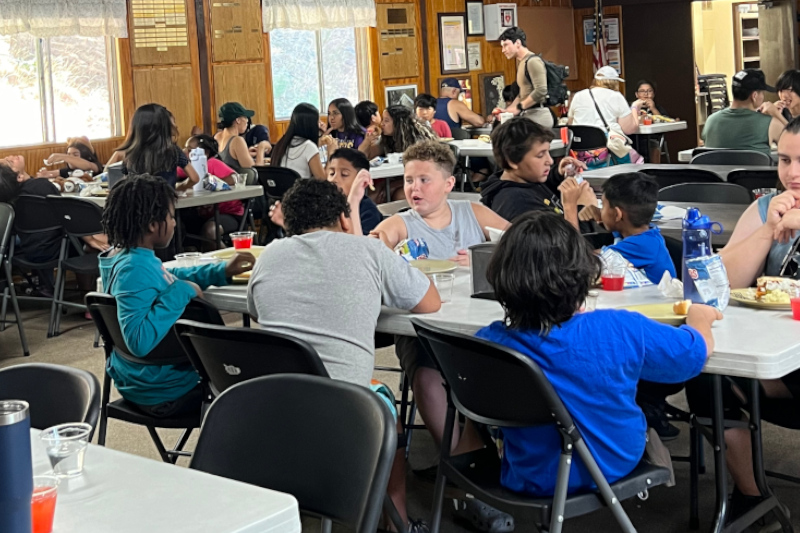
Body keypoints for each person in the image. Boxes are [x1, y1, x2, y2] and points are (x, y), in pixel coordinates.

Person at [476, 210, 720, 497]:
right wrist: (700, 319)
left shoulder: (488, 341)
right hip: (609, 465)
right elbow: (689, 359)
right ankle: (650, 439)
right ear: (582, 275)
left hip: (528, 471)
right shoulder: (617, 327)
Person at [247, 178, 440, 533]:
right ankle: (396, 521)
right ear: (343, 218)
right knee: (387, 410)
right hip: (346, 413)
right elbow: (430, 303)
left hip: (272, 407)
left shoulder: (269, 256)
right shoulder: (367, 252)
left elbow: (258, 312)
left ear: (288, 223)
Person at [370, 142, 509, 492]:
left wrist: (486, 257)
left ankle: (488, 449)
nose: (414, 188)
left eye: (424, 180)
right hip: (424, 330)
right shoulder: (403, 222)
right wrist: (381, 242)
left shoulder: (472, 212)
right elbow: (379, 241)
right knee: (428, 377)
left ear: (448, 184)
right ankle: (463, 467)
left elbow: (522, 240)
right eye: (408, 179)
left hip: (478, 324)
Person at [691, 118, 800, 524]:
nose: (792, 173)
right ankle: (752, 497)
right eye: (785, 160)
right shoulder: (765, 206)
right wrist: (768, 230)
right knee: (704, 374)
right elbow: (716, 285)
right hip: (771, 359)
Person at [98, 174, 253, 417]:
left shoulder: (124, 257)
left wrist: (220, 271)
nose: (173, 223)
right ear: (151, 224)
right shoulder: (134, 269)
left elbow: (167, 275)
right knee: (253, 380)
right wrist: (182, 291)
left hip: (143, 382)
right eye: (170, 217)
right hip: (165, 391)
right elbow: (138, 340)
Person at [480, 118, 596, 230]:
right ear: (513, 161)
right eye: (540, 155)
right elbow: (565, 247)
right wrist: (579, 207)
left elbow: (540, 189)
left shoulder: (524, 180)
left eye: (548, 152)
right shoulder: (519, 205)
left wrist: (558, 174)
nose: (550, 161)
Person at [268, 148, 383, 236]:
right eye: (331, 173)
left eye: (344, 175)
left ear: (361, 181)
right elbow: (311, 242)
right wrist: (289, 223)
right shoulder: (321, 205)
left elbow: (357, 251)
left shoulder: (368, 211)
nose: (334, 180)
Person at [600, 172, 676, 284]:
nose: (600, 211)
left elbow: (581, 261)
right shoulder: (647, 236)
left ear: (617, 215)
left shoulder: (640, 246)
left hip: (656, 301)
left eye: (602, 206)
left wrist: (570, 207)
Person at [177, 134, 244, 250]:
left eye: (189, 150)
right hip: (206, 215)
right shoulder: (190, 168)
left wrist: (212, 183)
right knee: (180, 227)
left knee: (210, 231)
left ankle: (228, 262)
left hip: (229, 214)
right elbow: (174, 174)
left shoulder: (212, 163)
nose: (184, 152)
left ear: (205, 153)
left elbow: (235, 177)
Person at [701, 69, 787, 156]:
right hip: (755, 169)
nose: (763, 96)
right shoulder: (770, 124)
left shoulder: (710, 121)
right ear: (754, 96)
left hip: (715, 170)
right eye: (762, 93)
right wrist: (777, 114)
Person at [568, 67, 641, 168]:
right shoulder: (616, 96)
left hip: (578, 153)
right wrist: (634, 107)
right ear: (614, 82)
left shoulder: (579, 95)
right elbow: (629, 129)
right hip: (604, 150)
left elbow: (570, 123)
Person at [116, 104, 200, 190]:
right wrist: (179, 187)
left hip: (137, 202)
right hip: (165, 201)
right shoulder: (173, 150)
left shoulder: (130, 152)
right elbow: (194, 178)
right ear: (165, 126)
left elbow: (123, 180)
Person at [363, 105, 438, 202]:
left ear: (398, 123)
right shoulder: (387, 140)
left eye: (386, 120)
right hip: (399, 179)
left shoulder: (418, 139)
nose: (382, 124)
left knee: (390, 194)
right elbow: (364, 156)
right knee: (371, 194)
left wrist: (389, 186)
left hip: (422, 180)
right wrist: (367, 140)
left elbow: (421, 171)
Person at [497, 27, 553, 128]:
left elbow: (541, 90)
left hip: (538, 116)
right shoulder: (522, 62)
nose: (503, 50)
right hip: (529, 115)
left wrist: (519, 107)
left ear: (518, 43)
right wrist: (508, 111)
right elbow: (523, 94)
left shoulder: (533, 61)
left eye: (505, 45)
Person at [270, 103, 326, 180]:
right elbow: (323, 182)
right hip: (301, 191)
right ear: (311, 125)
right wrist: (331, 154)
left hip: (282, 191)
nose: (320, 124)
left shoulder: (282, 143)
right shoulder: (309, 146)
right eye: (318, 121)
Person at [214, 102, 270, 171]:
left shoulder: (217, 136)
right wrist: (262, 147)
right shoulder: (237, 140)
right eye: (245, 117)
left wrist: (246, 153)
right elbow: (256, 172)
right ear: (238, 120)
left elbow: (228, 158)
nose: (247, 121)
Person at [37, 138, 102, 179]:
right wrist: (44, 174)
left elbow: (88, 165)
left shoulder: (95, 166)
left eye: (75, 155)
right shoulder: (68, 171)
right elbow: (53, 173)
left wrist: (63, 157)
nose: (70, 159)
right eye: (68, 154)